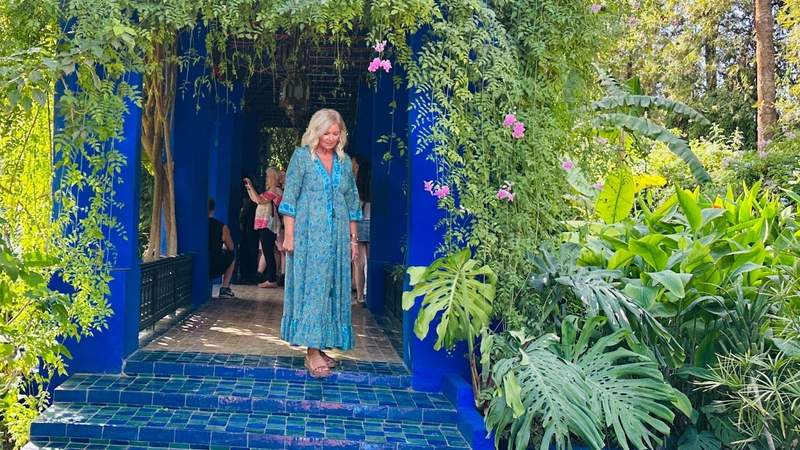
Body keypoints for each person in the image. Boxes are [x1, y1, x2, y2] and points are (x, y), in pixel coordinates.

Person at [279, 108, 361, 378]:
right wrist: (289, 236)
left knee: (332, 290)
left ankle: (322, 345)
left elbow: (351, 203)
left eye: (336, 133)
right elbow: (289, 199)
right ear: (315, 132)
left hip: (337, 239)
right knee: (313, 289)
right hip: (308, 237)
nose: (331, 137)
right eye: (326, 132)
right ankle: (311, 352)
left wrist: (353, 239)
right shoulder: (301, 158)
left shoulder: (344, 162)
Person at [244, 168, 282, 288]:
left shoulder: (276, 190)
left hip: (269, 224)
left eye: (268, 176)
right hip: (264, 224)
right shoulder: (270, 190)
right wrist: (249, 188)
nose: (266, 178)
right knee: (266, 251)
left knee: (268, 252)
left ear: (273, 178)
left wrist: (251, 187)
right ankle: (271, 278)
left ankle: (272, 279)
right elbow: (255, 199)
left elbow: (260, 200)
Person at [351, 156, 370, 306]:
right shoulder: (376, 189)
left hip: (361, 224)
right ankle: (368, 293)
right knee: (370, 260)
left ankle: (360, 296)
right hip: (374, 225)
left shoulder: (359, 189)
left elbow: (357, 209)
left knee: (359, 262)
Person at [208, 198, 236, 299]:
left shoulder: (195, 225)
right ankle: (224, 288)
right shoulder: (221, 227)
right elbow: (231, 247)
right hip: (214, 265)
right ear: (213, 209)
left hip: (196, 265)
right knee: (232, 255)